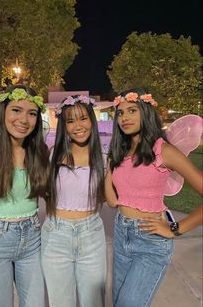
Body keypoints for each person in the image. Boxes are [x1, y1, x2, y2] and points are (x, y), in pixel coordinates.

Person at [105, 88, 203, 307]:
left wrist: (176, 228)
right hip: (122, 234)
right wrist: (110, 167)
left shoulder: (164, 151)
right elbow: (112, 201)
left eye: (132, 110)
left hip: (150, 240)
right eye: (120, 113)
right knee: (118, 302)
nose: (125, 117)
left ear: (147, 113)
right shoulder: (122, 152)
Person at [0, 84, 50, 307]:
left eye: (32, 113)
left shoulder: (39, 152)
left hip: (32, 240)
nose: (24, 119)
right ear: (3, 112)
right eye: (16, 110)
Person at [41, 95, 107, 307]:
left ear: (92, 120)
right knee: (60, 302)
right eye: (70, 121)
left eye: (83, 118)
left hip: (92, 236)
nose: (77, 126)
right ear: (64, 126)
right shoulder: (53, 155)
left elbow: (113, 197)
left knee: (93, 302)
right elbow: (39, 188)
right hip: (56, 236)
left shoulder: (105, 157)